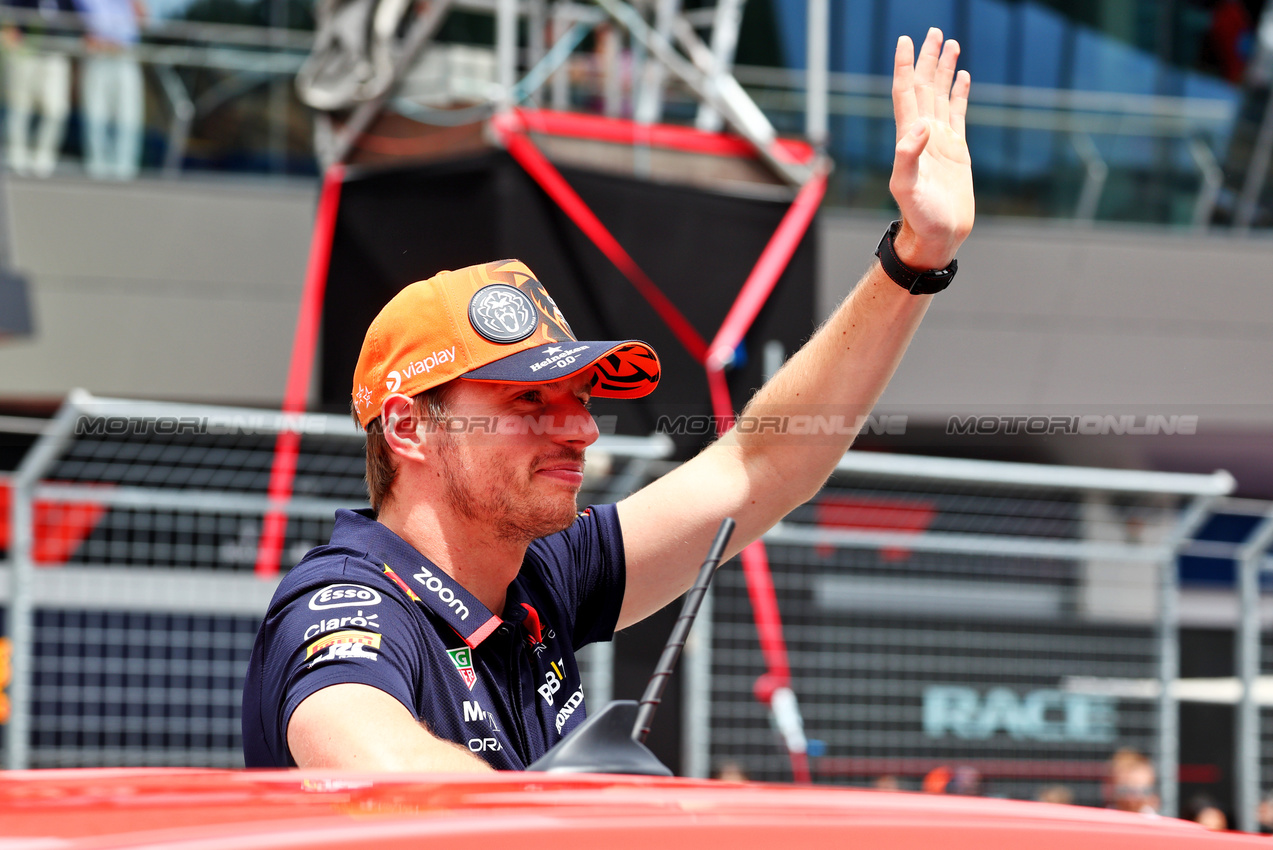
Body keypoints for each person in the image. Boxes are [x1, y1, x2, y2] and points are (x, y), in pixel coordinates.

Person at [241, 27, 974, 770]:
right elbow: (379, 768)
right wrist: (581, 817)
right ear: (408, 427)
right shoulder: (347, 603)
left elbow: (765, 462)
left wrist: (915, 256)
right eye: (530, 404)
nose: (582, 431)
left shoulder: (539, 575)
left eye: (578, 398)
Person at [2, 0, 76, 177]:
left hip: (53, 53)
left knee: (56, 109)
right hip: (25, 52)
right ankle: (16, 159)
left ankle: (43, 161)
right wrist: (7, 31)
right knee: (19, 106)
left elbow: (76, 18)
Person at [72, 0, 144, 179]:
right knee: (95, 116)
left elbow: (143, 19)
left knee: (128, 117)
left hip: (125, 54)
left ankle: (125, 173)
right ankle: (96, 172)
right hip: (97, 55)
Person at [1104, 749, 1159, 815]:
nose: (1133, 798)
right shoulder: (1108, 816)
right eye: (1124, 790)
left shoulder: (1151, 818)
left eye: (1144, 791)